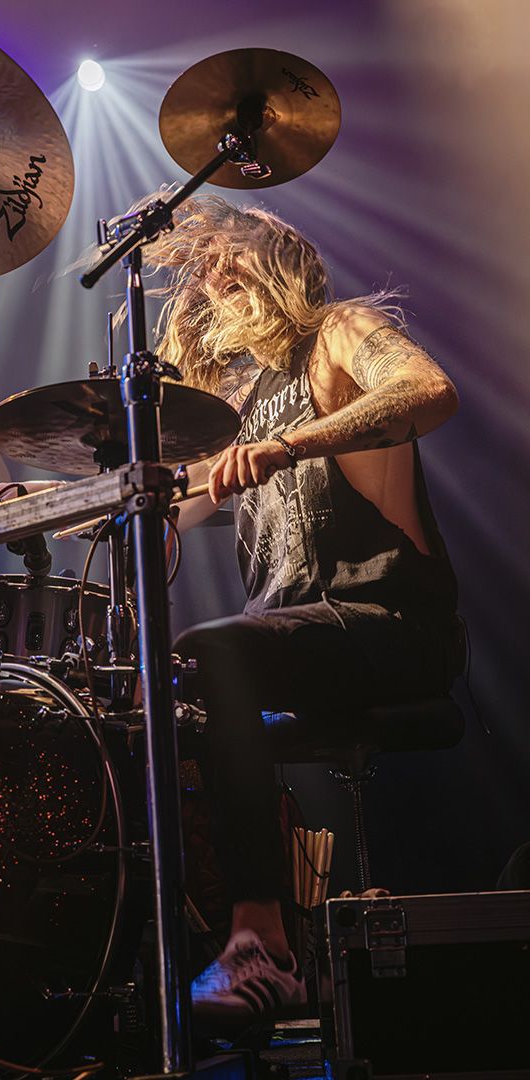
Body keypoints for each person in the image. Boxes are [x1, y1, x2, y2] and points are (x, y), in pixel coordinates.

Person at [142, 194, 464, 1030]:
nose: (209, 281)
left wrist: (288, 445)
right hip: (300, 640)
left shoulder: (337, 333)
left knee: (214, 650)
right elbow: (162, 501)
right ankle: (197, 940)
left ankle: (261, 943)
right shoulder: (245, 404)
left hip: (389, 621)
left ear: (273, 264)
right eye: (202, 273)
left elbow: (428, 391)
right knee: (155, 687)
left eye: (227, 262)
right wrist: (38, 502)